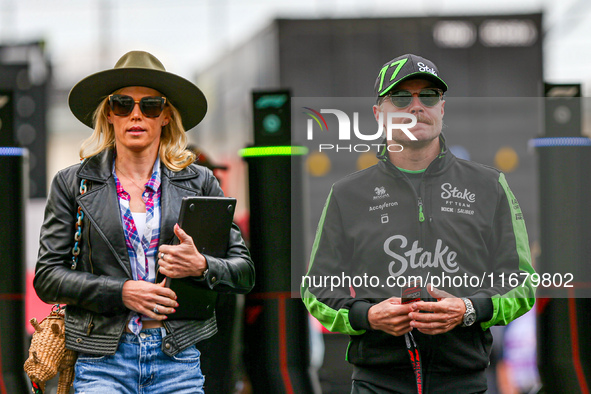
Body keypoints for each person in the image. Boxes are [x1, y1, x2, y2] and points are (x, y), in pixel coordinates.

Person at [301, 54, 536, 394]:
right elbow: (317, 288)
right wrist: (367, 316)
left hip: (463, 382)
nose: (416, 107)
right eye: (400, 98)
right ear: (378, 115)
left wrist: (468, 309)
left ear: (442, 108)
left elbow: (523, 283)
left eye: (428, 96)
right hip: (377, 382)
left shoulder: (489, 186)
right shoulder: (347, 194)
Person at [34, 50, 255, 393]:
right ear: (109, 113)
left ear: (166, 115)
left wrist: (200, 265)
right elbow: (48, 277)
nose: (136, 114)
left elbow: (244, 272)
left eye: (150, 105)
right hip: (102, 361)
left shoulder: (200, 182)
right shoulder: (72, 183)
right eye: (123, 104)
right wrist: (121, 292)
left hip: (177, 359)